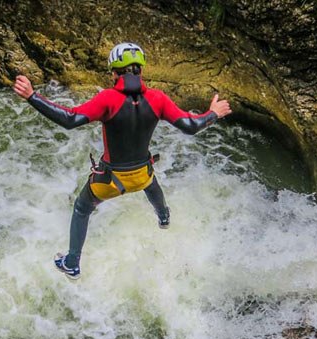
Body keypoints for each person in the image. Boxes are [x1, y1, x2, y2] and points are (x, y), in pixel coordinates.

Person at [13, 42, 232, 280]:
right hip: (142, 175)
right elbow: (191, 126)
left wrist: (32, 96)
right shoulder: (158, 98)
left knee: (81, 208)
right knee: (150, 182)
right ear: (141, 70)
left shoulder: (108, 99)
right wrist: (213, 113)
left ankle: (72, 263)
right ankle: (164, 217)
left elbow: (69, 119)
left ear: (115, 72)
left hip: (109, 182)